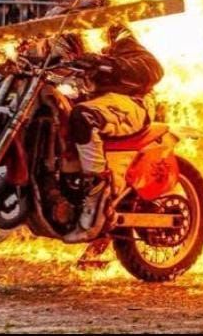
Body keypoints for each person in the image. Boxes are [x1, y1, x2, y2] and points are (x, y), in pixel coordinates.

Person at [60, 24, 164, 242]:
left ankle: (96, 193)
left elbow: (153, 68)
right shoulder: (64, 35)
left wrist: (106, 64)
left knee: (84, 116)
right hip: (98, 102)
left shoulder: (117, 34)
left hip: (131, 103)